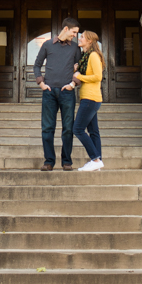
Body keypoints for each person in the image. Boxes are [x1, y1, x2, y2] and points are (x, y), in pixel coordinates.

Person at [33, 16, 81, 171]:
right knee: (47, 128)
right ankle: (49, 162)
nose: (75, 35)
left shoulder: (75, 48)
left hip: (67, 93)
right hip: (49, 93)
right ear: (66, 29)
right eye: (74, 32)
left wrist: (73, 84)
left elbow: (80, 68)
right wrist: (41, 83)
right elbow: (36, 65)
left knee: (68, 128)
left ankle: (66, 161)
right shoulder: (47, 45)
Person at [72, 29, 105, 171]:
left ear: (89, 41)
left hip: (91, 99)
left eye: (82, 37)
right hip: (89, 98)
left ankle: (95, 159)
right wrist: (76, 72)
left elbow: (98, 77)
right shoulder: (85, 57)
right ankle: (98, 162)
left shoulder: (93, 56)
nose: (79, 39)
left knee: (77, 129)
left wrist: (80, 77)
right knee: (93, 131)